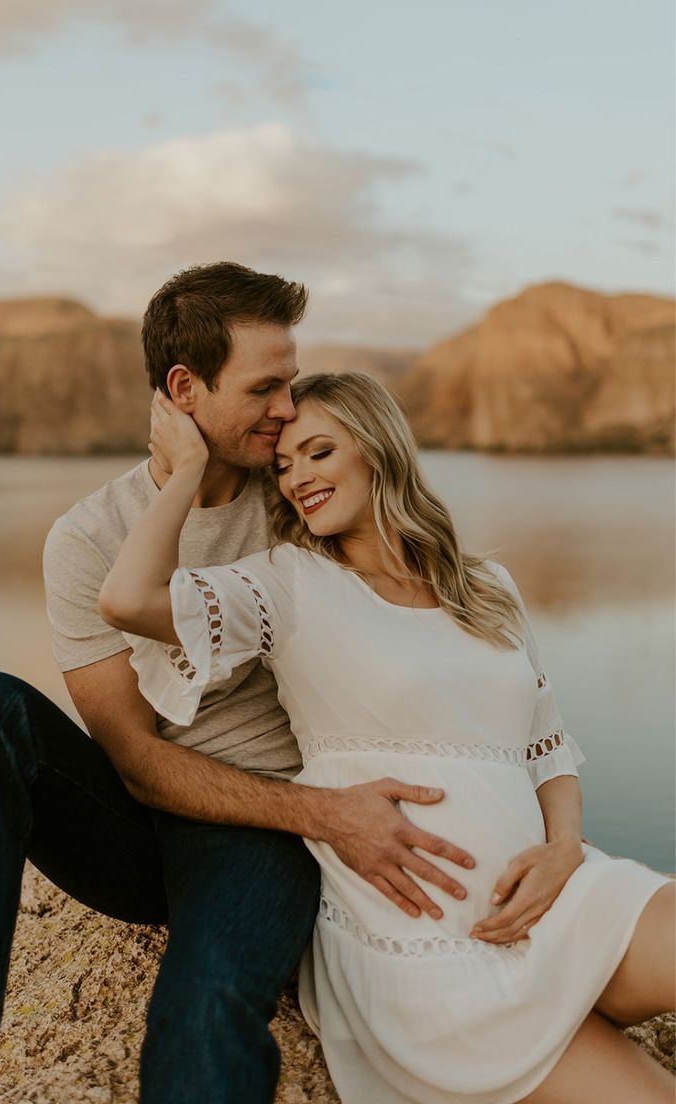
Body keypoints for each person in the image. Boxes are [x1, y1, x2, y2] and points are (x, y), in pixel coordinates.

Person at [0, 264, 477, 1104]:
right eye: (265, 387)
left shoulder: (304, 495)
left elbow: (429, 625)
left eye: (291, 382)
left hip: (260, 834)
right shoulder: (87, 539)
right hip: (142, 827)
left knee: (202, 1007)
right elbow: (135, 761)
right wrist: (184, 480)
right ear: (184, 389)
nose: (288, 409)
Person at [99, 371, 675, 1104]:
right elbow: (127, 600)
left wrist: (565, 849)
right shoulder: (288, 584)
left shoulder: (488, 585)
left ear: (376, 448)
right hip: (425, 949)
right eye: (283, 466)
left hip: (560, 900)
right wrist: (183, 471)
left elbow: (547, 745)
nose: (298, 477)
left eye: (318, 452)